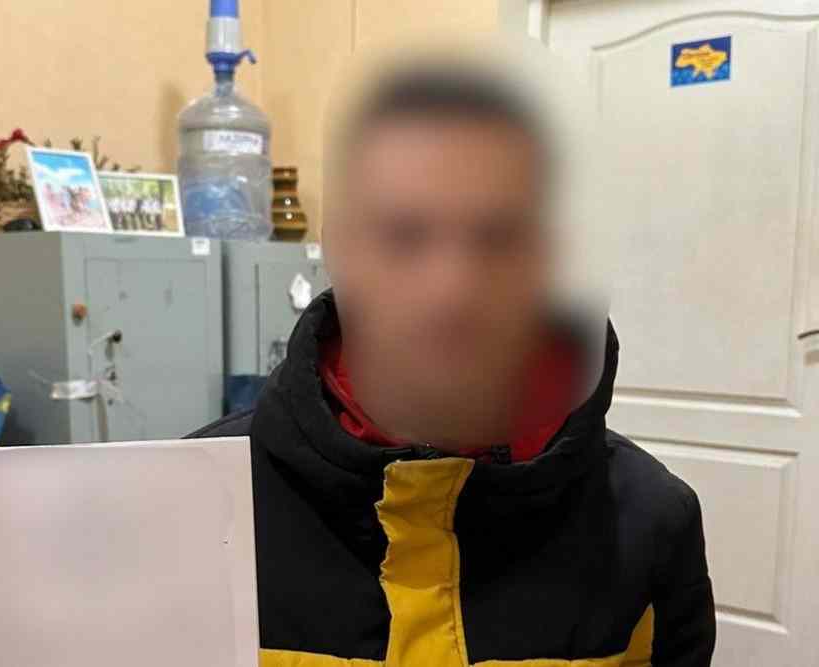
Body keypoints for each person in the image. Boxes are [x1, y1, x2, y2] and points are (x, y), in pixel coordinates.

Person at [191, 42, 715, 667]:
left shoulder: (651, 523)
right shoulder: (193, 503)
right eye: (403, 236)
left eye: (500, 239)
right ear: (338, 249)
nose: (452, 292)